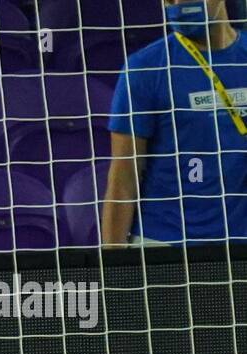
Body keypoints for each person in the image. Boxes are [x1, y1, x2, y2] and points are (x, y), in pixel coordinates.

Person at [103, 0, 247, 246]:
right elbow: (123, 177)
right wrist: (113, 268)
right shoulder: (144, 68)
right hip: (163, 243)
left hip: (239, 241)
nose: (178, 4)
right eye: (170, 0)